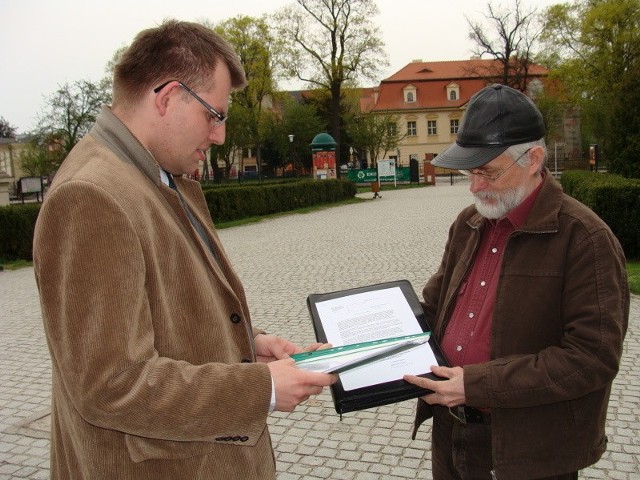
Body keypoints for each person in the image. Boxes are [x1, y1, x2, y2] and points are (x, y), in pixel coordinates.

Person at [32, 20, 335, 480]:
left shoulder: (149, 175)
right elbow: (110, 383)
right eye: (215, 115)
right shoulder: (93, 196)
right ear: (168, 97)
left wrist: (244, 348)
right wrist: (261, 389)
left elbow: (156, 318)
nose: (219, 136)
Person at [403, 84, 629, 480]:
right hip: (450, 431)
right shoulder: (469, 223)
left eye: (487, 172)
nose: (474, 187)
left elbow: (592, 358)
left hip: (529, 450)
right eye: (470, 173)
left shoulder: (584, 238)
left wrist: (475, 384)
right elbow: (434, 310)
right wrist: (359, 348)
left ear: (534, 159)